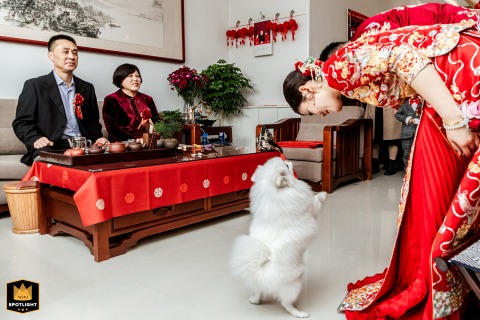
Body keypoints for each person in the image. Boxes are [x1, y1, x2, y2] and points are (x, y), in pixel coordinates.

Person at [283, 20, 480, 319]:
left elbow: (407, 59)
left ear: (310, 90)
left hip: (453, 76)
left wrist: (453, 120)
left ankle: (433, 285)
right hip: (446, 85)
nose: (321, 115)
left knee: (428, 202)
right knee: (430, 198)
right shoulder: (344, 77)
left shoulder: (337, 69)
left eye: (312, 110)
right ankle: (443, 283)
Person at [12, 34, 108, 166]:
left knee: (110, 162)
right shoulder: (35, 86)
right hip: (52, 145)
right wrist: (35, 138)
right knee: (54, 165)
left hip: (83, 145)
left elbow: (92, 123)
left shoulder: (87, 88)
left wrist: (98, 138)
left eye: (75, 52)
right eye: (65, 52)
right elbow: (22, 122)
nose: (71, 56)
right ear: (51, 56)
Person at [102, 63, 159, 142]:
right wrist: (135, 140)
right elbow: (112, 128)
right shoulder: (111, 99)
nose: (135, 79)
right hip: (122, 144)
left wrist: (154, 136)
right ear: (120, 79)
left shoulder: (148, 99)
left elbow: (157, 122)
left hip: (148, 142)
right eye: (130, 76)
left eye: (137, 76)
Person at [395, 96, 422, 168]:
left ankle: (418, 171)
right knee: (406, 154)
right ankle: (407, 172)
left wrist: (417, 120)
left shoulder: (422, 102)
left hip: (420, 132)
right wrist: (407, 119)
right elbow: (397, 114)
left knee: (420, 153)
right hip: (406, 133)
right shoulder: (405, 103)